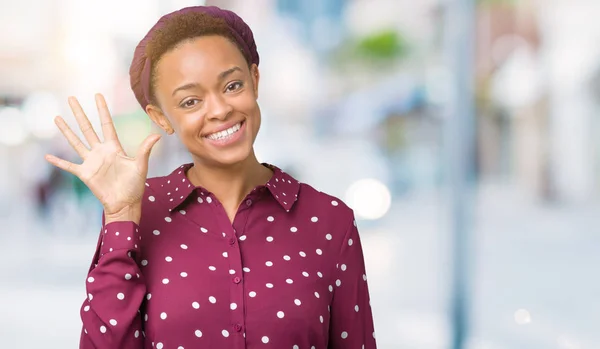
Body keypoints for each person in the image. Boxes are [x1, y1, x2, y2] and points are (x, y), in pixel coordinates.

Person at [45, 5, 377, 349]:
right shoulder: (136, 210)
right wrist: (119, 217)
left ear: (255, 80)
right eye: (190, 102)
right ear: (161, 118)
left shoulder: (330, 221)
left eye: (232, 85)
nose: (219, 110)